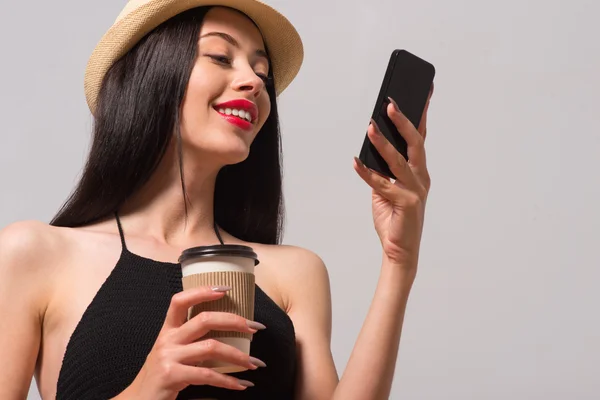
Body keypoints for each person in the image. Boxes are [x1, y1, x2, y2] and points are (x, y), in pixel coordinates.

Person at [0, 0, 434, 399]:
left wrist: (400, 262)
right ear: (152, 72)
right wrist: (148, 387)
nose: (254, 82)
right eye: (221, 57)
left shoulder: (294, 274)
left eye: (261, 73)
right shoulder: (34, 255)